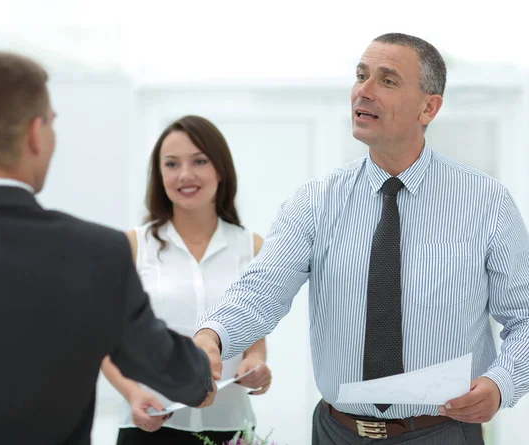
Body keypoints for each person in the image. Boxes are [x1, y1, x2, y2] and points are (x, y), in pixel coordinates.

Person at [194, 33, 529, 445]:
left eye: (387, 81)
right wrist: (212, 337)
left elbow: (525, 316)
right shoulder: (315, 201)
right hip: (337, 432)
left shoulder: (486, 203)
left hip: (442, 431)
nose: (363, 91)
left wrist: (502, 383)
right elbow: (262, 289)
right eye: (360, 75)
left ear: (430, 107)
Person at [0, 52, 219, 445]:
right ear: (35, 133)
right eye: (51, 122)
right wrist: (201, 369)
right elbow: (170, 368)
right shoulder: (97, 253)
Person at [101, 115, 272, 445]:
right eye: (171, 164)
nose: (185, 175)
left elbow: (255, 336)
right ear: (159, 174)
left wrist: (256, 364)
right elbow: (107, 343)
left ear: (220, 169)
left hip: (230, 427)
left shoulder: (252, 247)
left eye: (200, 161)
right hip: (149, 426)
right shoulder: (132, 246)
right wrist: (134, 395)